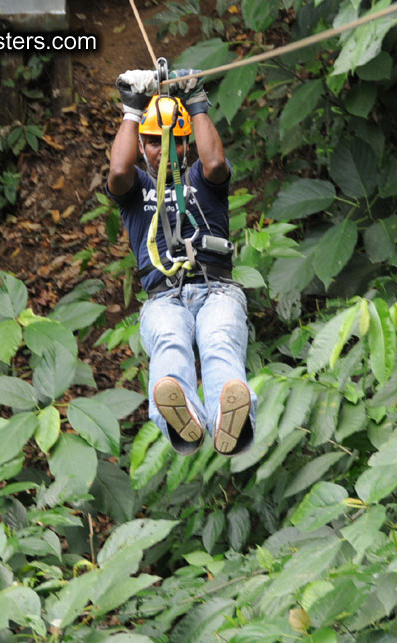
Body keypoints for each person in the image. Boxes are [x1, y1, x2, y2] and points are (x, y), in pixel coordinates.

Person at [106, 68, 256, 456]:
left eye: (171, 139)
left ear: (185, 141)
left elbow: (217, 164)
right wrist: (132, 110)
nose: (163, 148)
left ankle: (228, 413)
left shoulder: (201, 179)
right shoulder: (136, 190)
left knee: (218, 339)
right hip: (164, 298)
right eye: (154, 142)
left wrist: (197, 103)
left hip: (215, 288)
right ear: (142, 145)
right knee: (169, 340)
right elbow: (119, 171)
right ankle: (183, 413)